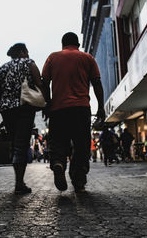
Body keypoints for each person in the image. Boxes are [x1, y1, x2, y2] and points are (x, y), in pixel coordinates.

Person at [42, 32, 105, 193]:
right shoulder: (87, 58)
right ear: (78, 44)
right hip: (81, 108)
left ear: (62, 44)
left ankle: (58, 163)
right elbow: (97, 83)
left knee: (58, 142)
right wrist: (101, 107)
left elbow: (44, 83)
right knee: (81, 144)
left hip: (58, 109)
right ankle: (78, 179)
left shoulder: (52, 58)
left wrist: (47, 104)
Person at [0, 43, 44, 195]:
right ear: (22, 52)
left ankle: (19, 181)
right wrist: (46, 104)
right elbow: (39, 84)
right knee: (21, 145)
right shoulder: (29, 63)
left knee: (15, 143)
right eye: (26, 51)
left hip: (7, 111)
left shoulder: (1, 69)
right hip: (25, 108)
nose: (27, 54)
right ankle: (19, 183)